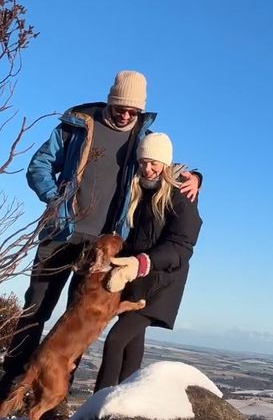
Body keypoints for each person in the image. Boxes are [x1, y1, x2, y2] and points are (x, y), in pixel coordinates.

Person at [0, 72, 201, 402]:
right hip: (61, 235)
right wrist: (58, 200)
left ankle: (50, 403)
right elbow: (39, 165)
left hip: (105, 250)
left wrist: (198, 177)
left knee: (79, 326)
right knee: (35, 310)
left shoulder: (141, 137)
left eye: (132, 111)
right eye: (120, 107)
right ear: (109, 99)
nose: (125, 115)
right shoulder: (78, 124)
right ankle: (9, 386)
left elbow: (162, 164)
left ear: (140, 112)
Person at [94, 132, 201, 390]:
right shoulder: (140, 191)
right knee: (131, 346)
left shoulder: (180, 196)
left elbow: (182, 246)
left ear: (165, 163)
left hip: (161, 284)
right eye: (143, 162)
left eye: (154, 162)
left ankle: (97, 408)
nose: (148, 168)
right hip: (138, 280)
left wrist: (142, 262)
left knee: (116, 340)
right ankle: (126, 403)